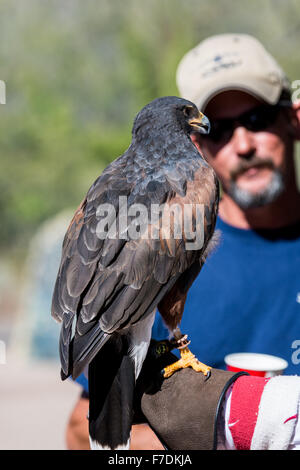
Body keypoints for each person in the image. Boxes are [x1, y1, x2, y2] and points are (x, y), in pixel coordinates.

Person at [65, 33, 300, 449]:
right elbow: (82, 433)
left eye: (257, 119)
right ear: (196, 140)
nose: (242, 145)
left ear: (294, 117)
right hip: (116, 334)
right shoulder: (181, 205)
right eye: (221, 129)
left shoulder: (168, 196)